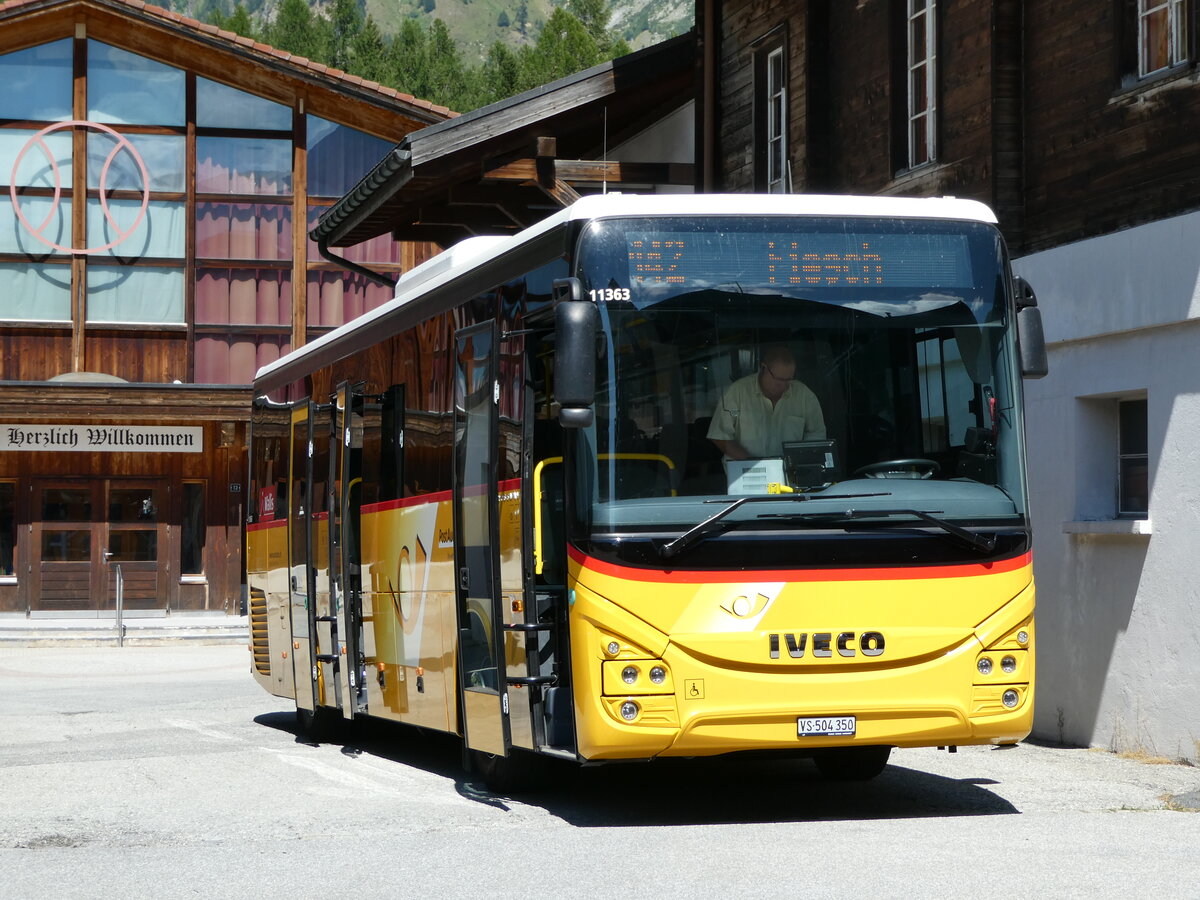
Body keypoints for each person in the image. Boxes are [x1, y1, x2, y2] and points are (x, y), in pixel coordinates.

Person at [707, 344, 826, 460]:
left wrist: (801, 460)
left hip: (790, 472)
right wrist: (751, 463)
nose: (783, 385)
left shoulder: (804, 395)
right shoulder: (737, 392)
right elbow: (720, 436)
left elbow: (817, 433)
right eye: (779, 379)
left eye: (788, 379)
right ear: (764, 367)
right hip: (745, 472)